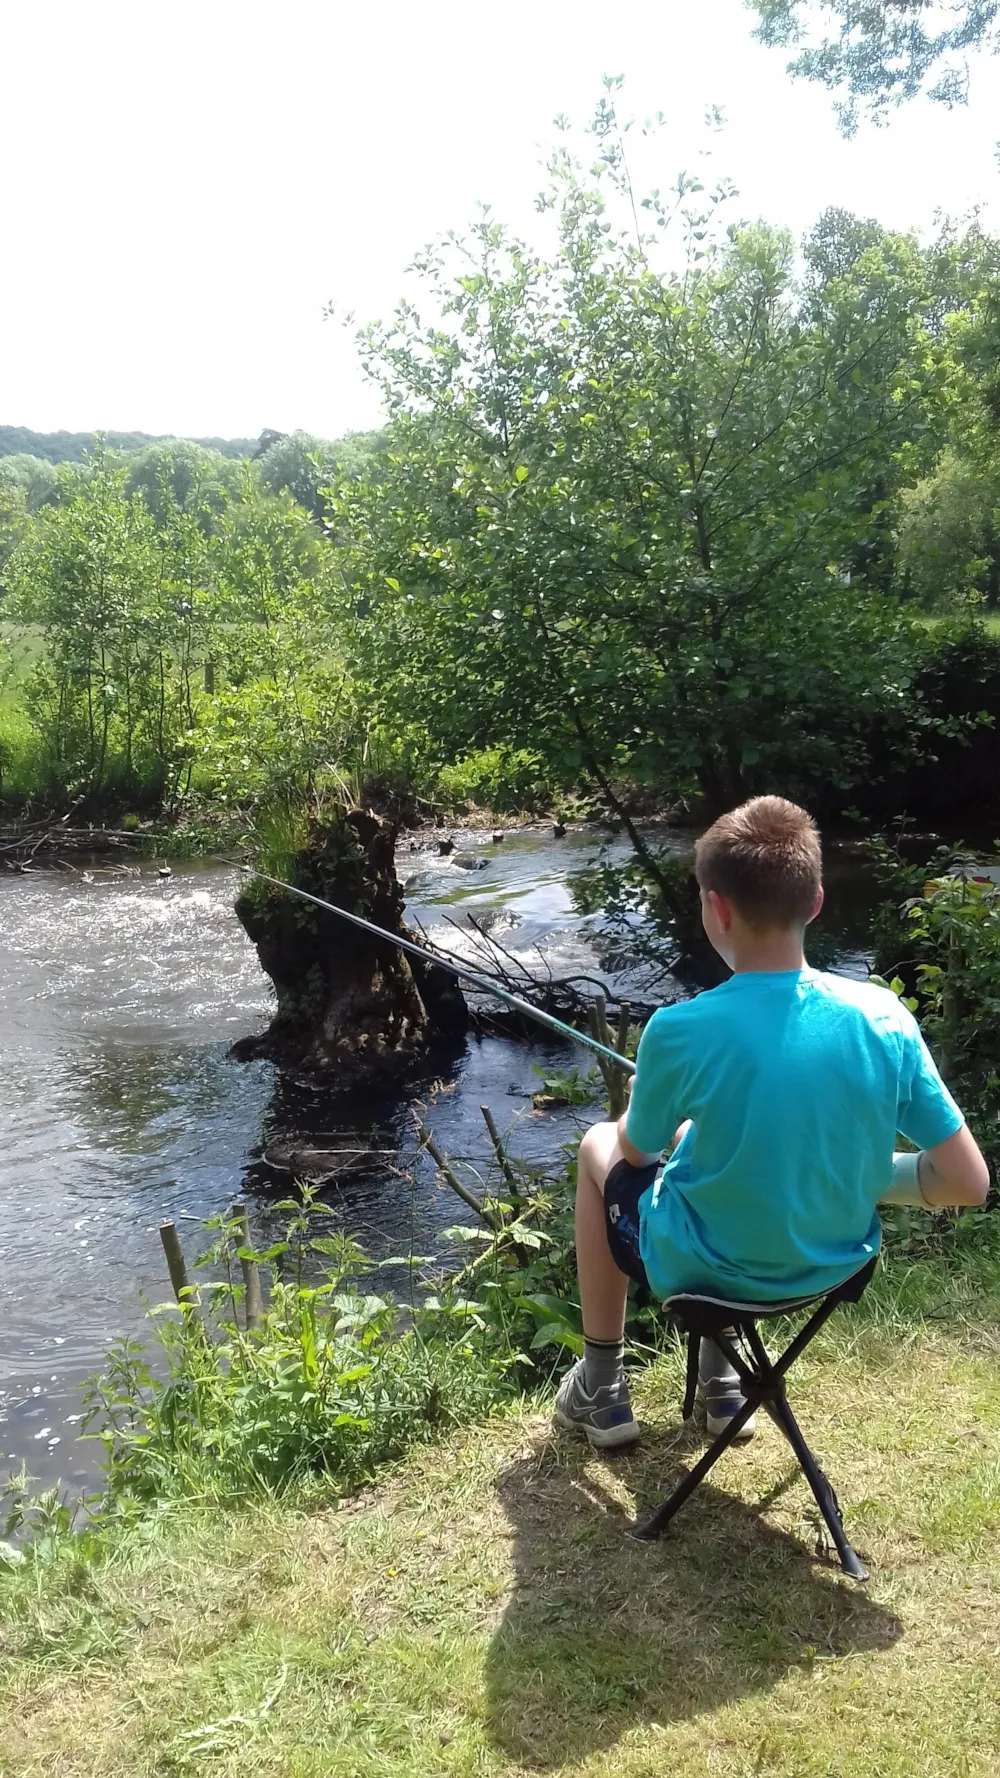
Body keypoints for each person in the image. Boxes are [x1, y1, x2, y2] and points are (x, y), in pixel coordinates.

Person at [555, 796, 990, 1449]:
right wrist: (863, 1174)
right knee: (710, 1151)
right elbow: (966, 1183)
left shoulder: (677, 1030)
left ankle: (603, 1384)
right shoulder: (884, 1017)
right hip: (833, 1267)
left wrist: (654, 1101)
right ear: (814, 901)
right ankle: (724, 1386)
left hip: (709, 1276)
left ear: (717, 908)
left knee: (598, 1145)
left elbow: (637, 1155)